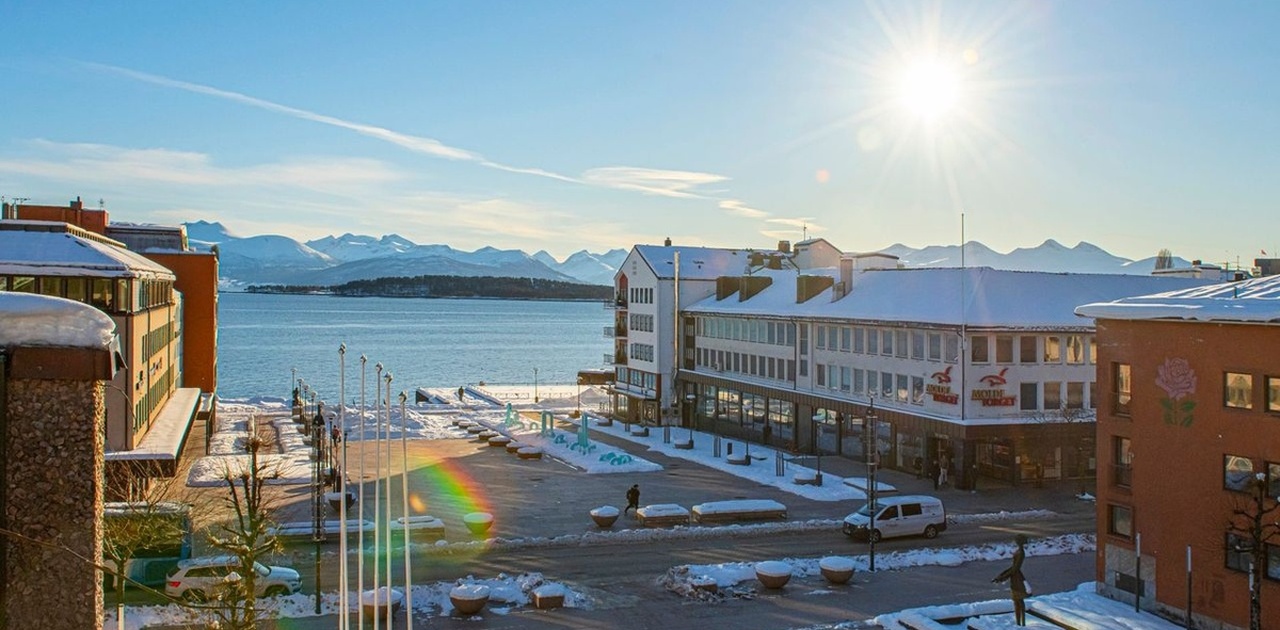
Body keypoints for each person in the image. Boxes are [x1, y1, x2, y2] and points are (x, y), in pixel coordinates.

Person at [992, 534, 1030, 626]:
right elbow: (1013, 567)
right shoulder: (1018, 551)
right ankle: (1019, 623)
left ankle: (1022, 623)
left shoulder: (1021, 552)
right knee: (1016, 601)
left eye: (1017, 540)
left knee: (1019, 600)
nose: (1015, 541)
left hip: (1017, 578)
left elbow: (1015, 568)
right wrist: (1001, 575)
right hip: (1015, 577)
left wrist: (1002, 577)